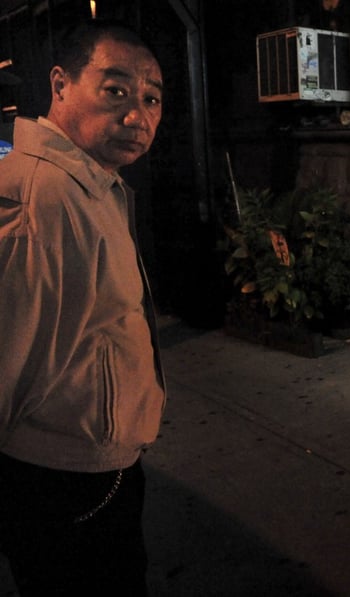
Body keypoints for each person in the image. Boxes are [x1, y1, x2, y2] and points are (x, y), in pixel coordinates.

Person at [0, 19, 166, 596]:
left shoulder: (91, 181)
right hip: (65, 475)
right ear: (60, 84)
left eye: (150, 98)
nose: (137, 115)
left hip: (95, 462)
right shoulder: (45, 194)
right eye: (115, 90)